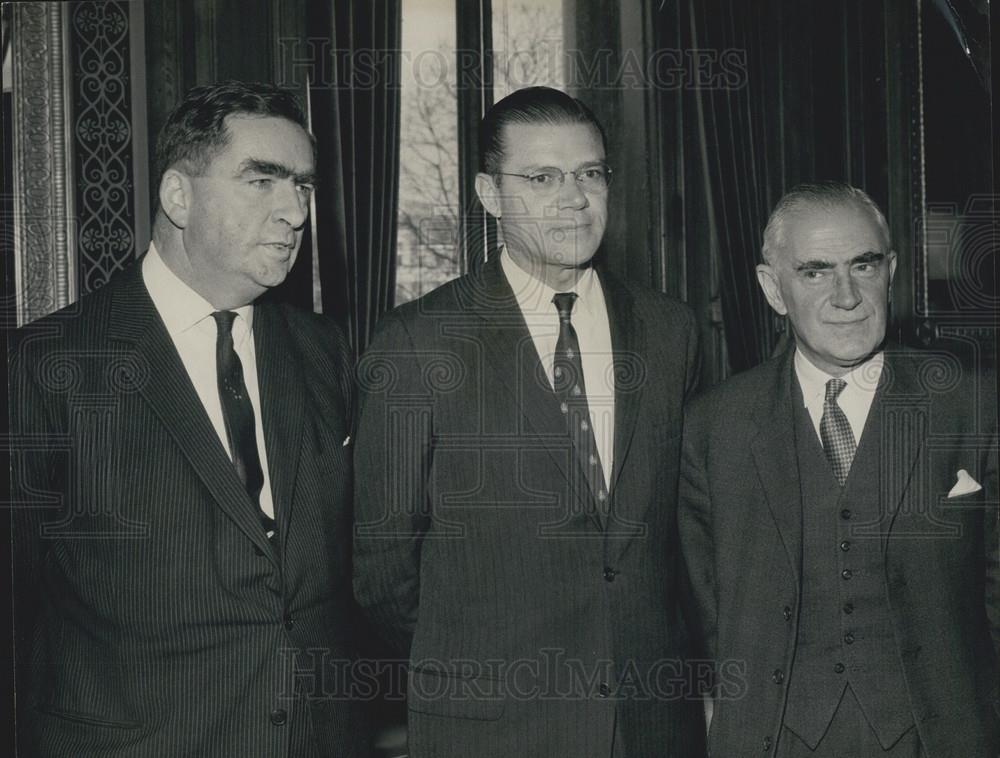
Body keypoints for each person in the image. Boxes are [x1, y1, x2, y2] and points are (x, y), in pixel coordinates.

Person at [9, 81, 368, 757]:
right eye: (262, 181)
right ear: (179, 197)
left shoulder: (323, 352)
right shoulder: (42, 366)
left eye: (304, 187)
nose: (294, 211)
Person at [353, 86, 706, 757]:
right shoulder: (419, 344)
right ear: (490, 195)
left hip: (654, 724)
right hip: (493, 727)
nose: (574, 199)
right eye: (542, 178)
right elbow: (383, 569)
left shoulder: (669, 331)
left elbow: (691, 535)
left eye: (591, 174)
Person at [678, 181, 1000, 757]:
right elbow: (705, 617)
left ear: (892, 270)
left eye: (863, 265)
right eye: (815, 272)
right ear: (773, 289)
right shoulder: (713, 428)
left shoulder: (972, 407)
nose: (846, 295)